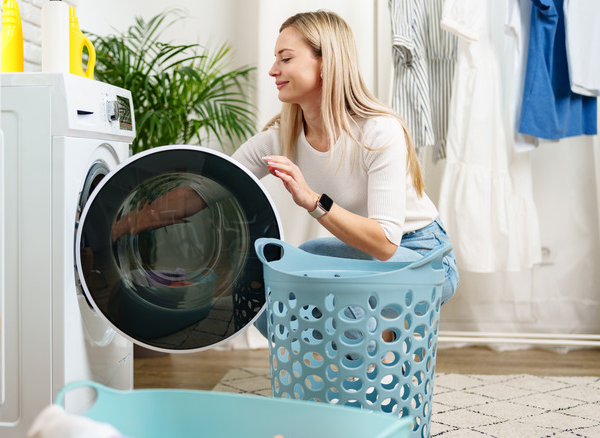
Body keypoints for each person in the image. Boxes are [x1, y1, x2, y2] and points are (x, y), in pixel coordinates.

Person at [112, 10, 458, 336]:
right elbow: (203, 191)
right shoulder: (281, 138)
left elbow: (384, 244)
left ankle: (375, 375)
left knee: (341, 303)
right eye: (276, 58)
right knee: (274, 288)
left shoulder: (378, 132)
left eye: (286, 58)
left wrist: (313, 202)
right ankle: (345, 366)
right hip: (364, 252)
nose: (273, 70)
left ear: (325, 62)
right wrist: (121, 225)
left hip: (425, 258)